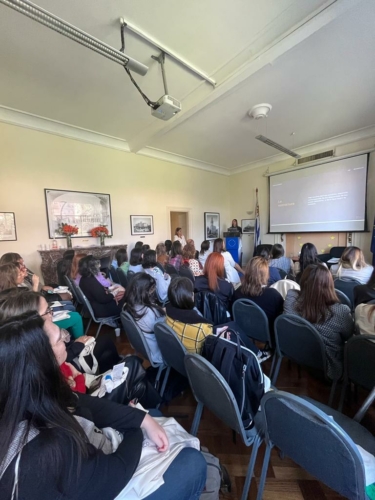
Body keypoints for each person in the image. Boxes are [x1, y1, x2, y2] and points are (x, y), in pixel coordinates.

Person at [0, 313, 207, 500]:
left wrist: (142, 419)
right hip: (108, 482)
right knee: (194, 463)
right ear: (42, 361)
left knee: (151, 413)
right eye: (59, 339)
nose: (66, 340)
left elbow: (80, 401)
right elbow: (115, 473)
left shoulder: (28, 396)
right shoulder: (48, 447)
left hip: (92, 468)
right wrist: (136, 430)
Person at [284, 264, 354, 380]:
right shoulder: (340, 311)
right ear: (329, 284)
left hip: (297, 353)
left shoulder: (291, 297)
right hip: (329, 365)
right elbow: (348, 336)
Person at [166, 277, 215, 354]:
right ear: (191, 296)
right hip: (198, 362)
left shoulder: (167, 314)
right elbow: (211, 349)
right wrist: (220, 337)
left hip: (179, 355)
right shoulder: (202, 328)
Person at [124, 273, 166, 363]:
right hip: (158, 354)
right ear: (145, 292)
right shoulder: (149, 312)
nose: (153, 292)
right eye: (152, 289)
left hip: (143, 348)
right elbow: (166, 331)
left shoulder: (128, 306)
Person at [233, 257, 284, 329]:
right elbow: (281, 318)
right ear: (266, 274)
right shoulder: (273, 295)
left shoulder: (238, 292)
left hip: (244, 331)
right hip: (268, 335)